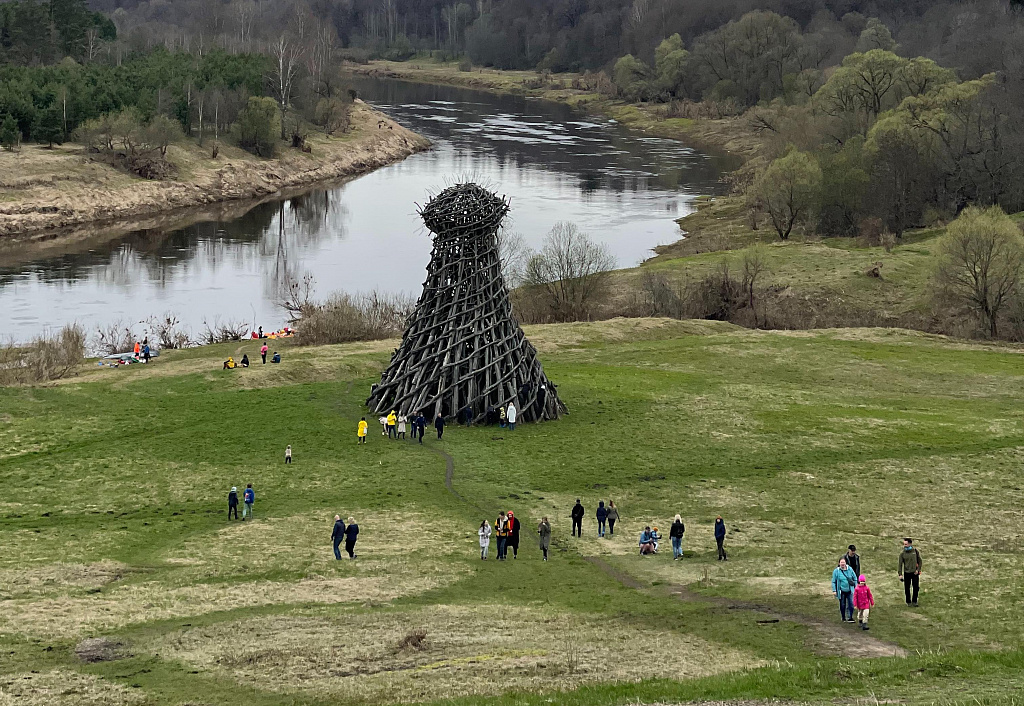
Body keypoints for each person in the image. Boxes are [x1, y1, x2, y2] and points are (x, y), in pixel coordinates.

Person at [832, 557, 858, 623]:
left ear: (846, 563)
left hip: (850, 590)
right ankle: (843, 617)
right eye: (841, 562)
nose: (842, 564)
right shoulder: (836, 571)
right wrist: (834, 590)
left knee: (851, 604)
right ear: (839, 563)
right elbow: (833, 581)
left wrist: (856, 587)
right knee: (842, 604)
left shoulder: (850, 569)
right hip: (841, 591)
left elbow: (855, 578)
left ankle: (850, 617)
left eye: (843, 562)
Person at [898, 537, 922, 606]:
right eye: (904, 544)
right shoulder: (902, 554)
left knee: (916, 588)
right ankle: (908, 602)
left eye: (906, 544)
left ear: (910, 544)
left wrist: (918, 570)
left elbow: (920, 561)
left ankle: (914, 601)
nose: (904, 546)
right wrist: (900, 574)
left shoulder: (915, 552)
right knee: (907, 588)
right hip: (907, 573)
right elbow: (900, 564)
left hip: (915, 573)